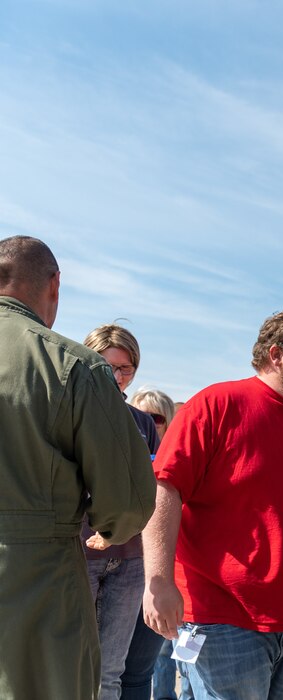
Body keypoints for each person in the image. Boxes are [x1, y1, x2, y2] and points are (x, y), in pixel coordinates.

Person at [142, 308, 283, 700]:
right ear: (277, 354)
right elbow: (165, 489)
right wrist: (158, 581)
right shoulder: (217, 405)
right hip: (220, 613)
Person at [0, 235, 156, 699]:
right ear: (55, 285)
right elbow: (127, 502)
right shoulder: (72, 366)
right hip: (39, 581)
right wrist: (108, 528)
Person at [81, 324, 162, 700]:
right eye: (106, 366)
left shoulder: (143, 421)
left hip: (129, 560)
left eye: (125, 369)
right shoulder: (68, 411)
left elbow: (152, 488)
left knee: (111, 671)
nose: (116, 377)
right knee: (74, 664)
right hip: (79, 552)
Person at [128, 388, 188, 700]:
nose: (147, 424)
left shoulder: (182, 463)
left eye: (156, 417)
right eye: (140, 415)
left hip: (176, 572)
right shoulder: (121, 459)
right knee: (150, 656)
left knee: (181, 651)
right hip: (131, 570)